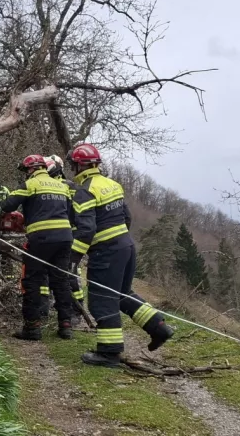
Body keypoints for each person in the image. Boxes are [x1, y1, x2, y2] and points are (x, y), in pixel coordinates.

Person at [68, 143, 174, 368]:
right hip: (126, 246)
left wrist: (73, 258)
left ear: (78, 166)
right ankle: (159, 327)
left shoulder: (84, 191)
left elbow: (86, 230)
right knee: (123, 294)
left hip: (106, 252)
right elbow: (126, 217)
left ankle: (109, 353)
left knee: (101, 301)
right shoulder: (112, 184)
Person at [1, 154, 76, 341]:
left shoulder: (30, 184)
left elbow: (7, 205)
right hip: (65, 238)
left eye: (26, 171)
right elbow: (72, 216)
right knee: (61, 281)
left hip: (41, 239)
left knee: (32, 281)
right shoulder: (62, 186)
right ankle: (65, 325)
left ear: (31, 169)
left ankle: (32, 328)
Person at [45, 155, 87, 314]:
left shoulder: (69, 186)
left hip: (70, 234)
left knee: (70, 272)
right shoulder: (62, 185)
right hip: (58, 234)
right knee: (57, 272)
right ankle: (60, 304)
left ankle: (77, 309)